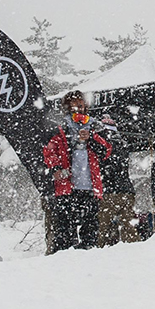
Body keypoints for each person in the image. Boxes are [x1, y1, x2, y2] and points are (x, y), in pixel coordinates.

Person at [43, 91, 111, 252]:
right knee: (64, 229)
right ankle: (64, 257)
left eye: (80, 105)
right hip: (67, 185)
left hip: (90, 185)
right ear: (67, 108)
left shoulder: (95, 126)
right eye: (73, 106)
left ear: (86, 106)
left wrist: (91, 138)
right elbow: (49, 151)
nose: (77, 109)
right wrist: (56, 168)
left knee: (90, 228)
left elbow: (106, 151)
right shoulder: (60, 128)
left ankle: (87, 255)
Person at [97, 115, 140, 246]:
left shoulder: (102, 144)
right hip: (127, 190)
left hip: (109, 191)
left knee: (102, 228)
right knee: (128, 226)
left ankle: (99, 250)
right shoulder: (123, 143)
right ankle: (134, 249)